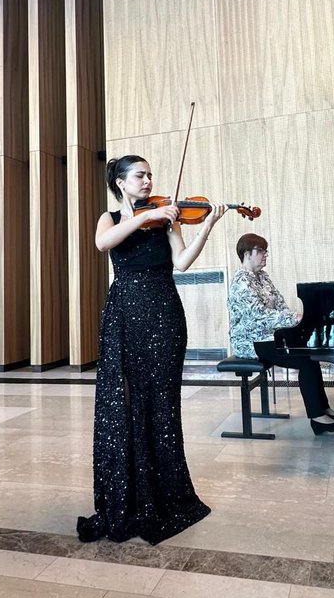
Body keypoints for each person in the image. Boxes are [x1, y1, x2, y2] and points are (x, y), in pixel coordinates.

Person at [77, 156, 225, 545]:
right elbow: (102, 243)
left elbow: (182, 263)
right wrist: (145, 216)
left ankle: (165, 493)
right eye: (140, 175)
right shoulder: (110, 217)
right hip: (125, 312)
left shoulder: (167, 219)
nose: (148, 181)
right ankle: (128, 494)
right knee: (126, 401)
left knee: (162, 401)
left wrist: (205, 226)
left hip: (164, 312)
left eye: (149, 175)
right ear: (122, 183)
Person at [227, 233, 334, 434]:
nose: (266, 255)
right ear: (247, 254)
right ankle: (318, 418)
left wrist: (295, 317)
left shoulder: (263, 277)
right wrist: (295, 319)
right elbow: (260, 316)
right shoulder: (241, 281)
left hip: (269, 334)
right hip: (250, 341)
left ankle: (324, 410)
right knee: (304, 360)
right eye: (261, 251)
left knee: (309, 351)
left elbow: (280, 304)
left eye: (266, 251)